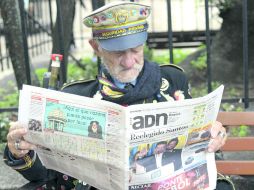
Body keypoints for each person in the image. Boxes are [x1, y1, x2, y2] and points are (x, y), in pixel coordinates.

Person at [3, 2, 227, 190]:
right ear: (96, 47)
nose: (129, 61)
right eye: (118, 52)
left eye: (136, 49)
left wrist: (212, 135)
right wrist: (19, 151)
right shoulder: (74, 96)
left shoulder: (172, 81)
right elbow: (45, 175)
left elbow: (194, 145)